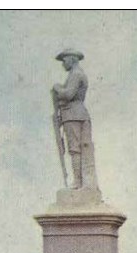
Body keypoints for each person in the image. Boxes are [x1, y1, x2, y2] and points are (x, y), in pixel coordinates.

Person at [52, 49, 97, 190]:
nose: (63, 64)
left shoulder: (76, 74)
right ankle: (81, 181)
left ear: (72, 59)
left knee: (75, 149)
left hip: (73, 114)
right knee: (77, 148)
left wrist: (57, 88)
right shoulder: (75, 74)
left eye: (64, 60)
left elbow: (69, 94)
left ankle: (78, 181)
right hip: (74, 113)